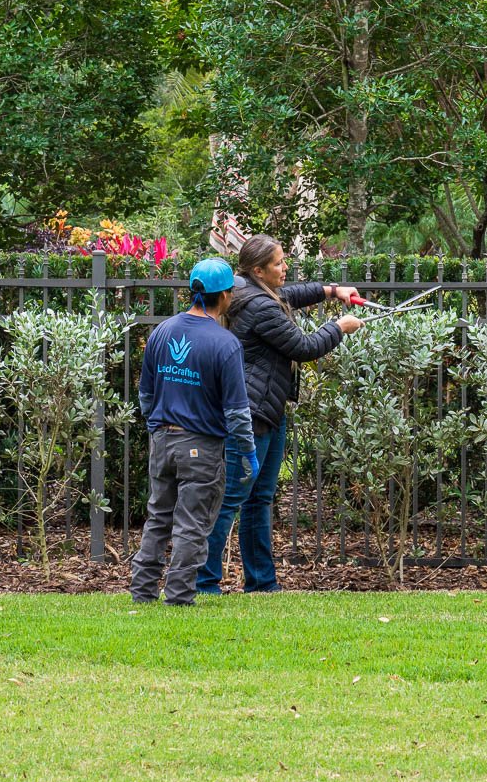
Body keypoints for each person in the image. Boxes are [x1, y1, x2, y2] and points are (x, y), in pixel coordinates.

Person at [196, 235, 363, 595]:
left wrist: (334, 290)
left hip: (269, 410)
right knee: (232, 500)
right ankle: (205, 582)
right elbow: (303, 347)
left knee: (260, 498)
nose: (285, 268)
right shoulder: (260, 307)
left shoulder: (246, 289)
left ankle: (262, 583)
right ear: (259, 270)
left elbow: (293, 294)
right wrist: (339, 327)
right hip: (252, 414)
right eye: (278, 263)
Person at [130, 257, 258, 606]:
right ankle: (179, 596)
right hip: (200, 446)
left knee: (158, 517)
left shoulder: (162, 331)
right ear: (226, 296)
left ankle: (142, 592)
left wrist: (156, 429)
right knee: (191, 524)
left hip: (163, 441)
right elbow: (236, 411)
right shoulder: (225, 344)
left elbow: (145, 393)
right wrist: (248, 454)